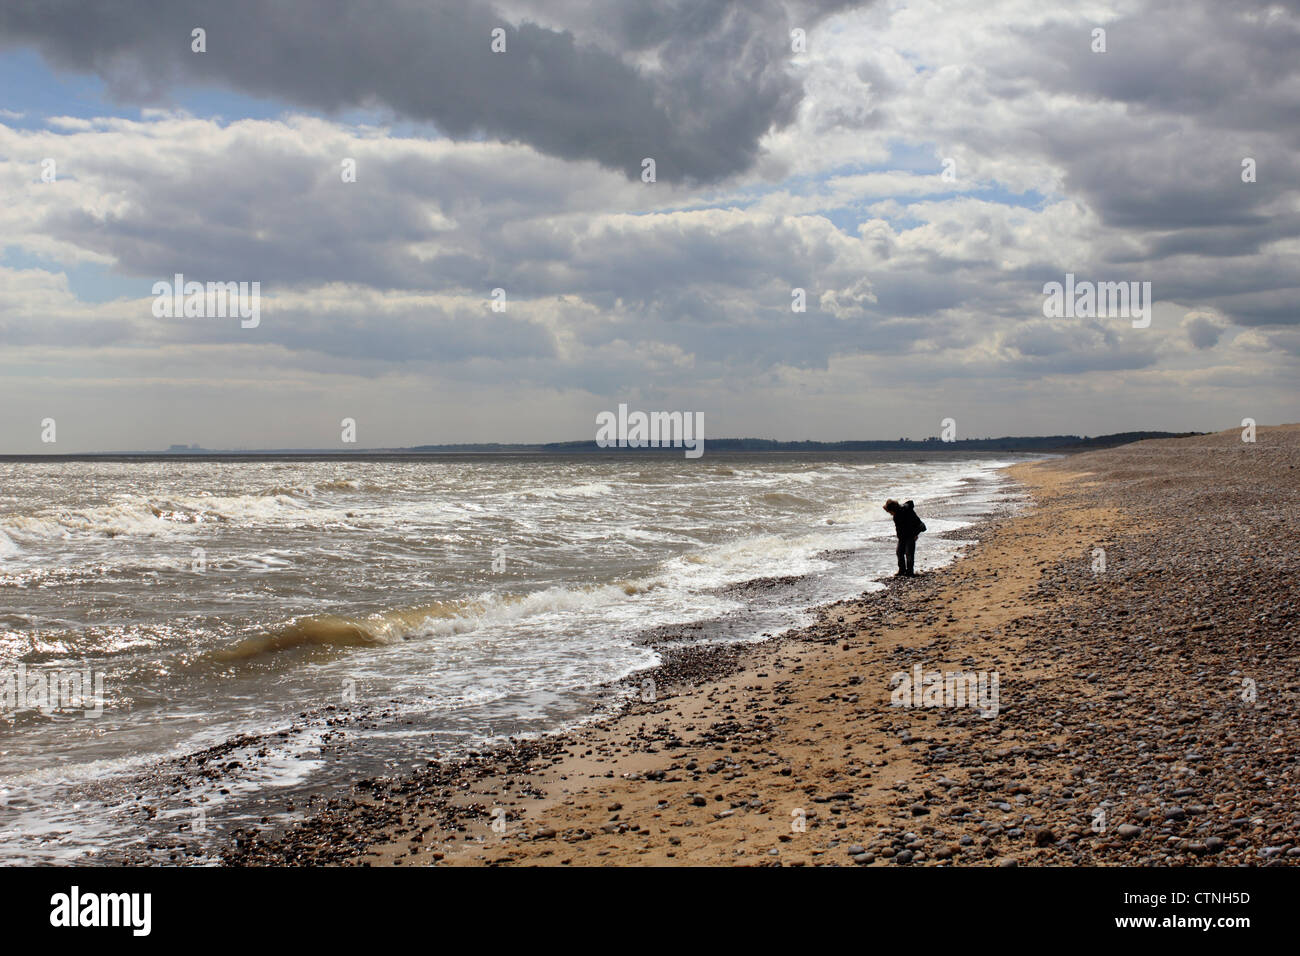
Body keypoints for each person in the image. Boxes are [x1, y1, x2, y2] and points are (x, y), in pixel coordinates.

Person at [883, 498, 926, 576]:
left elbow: (918, 523)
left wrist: (916, 534)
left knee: (909, 553)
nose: (890, 514)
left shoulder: (907, 511)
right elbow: (899, 528)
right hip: (902, 536)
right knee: (899, 552)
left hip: (911, 534)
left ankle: (910, 572)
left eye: (889, 512)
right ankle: (902, 570)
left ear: (893, 509)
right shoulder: (896, 514)